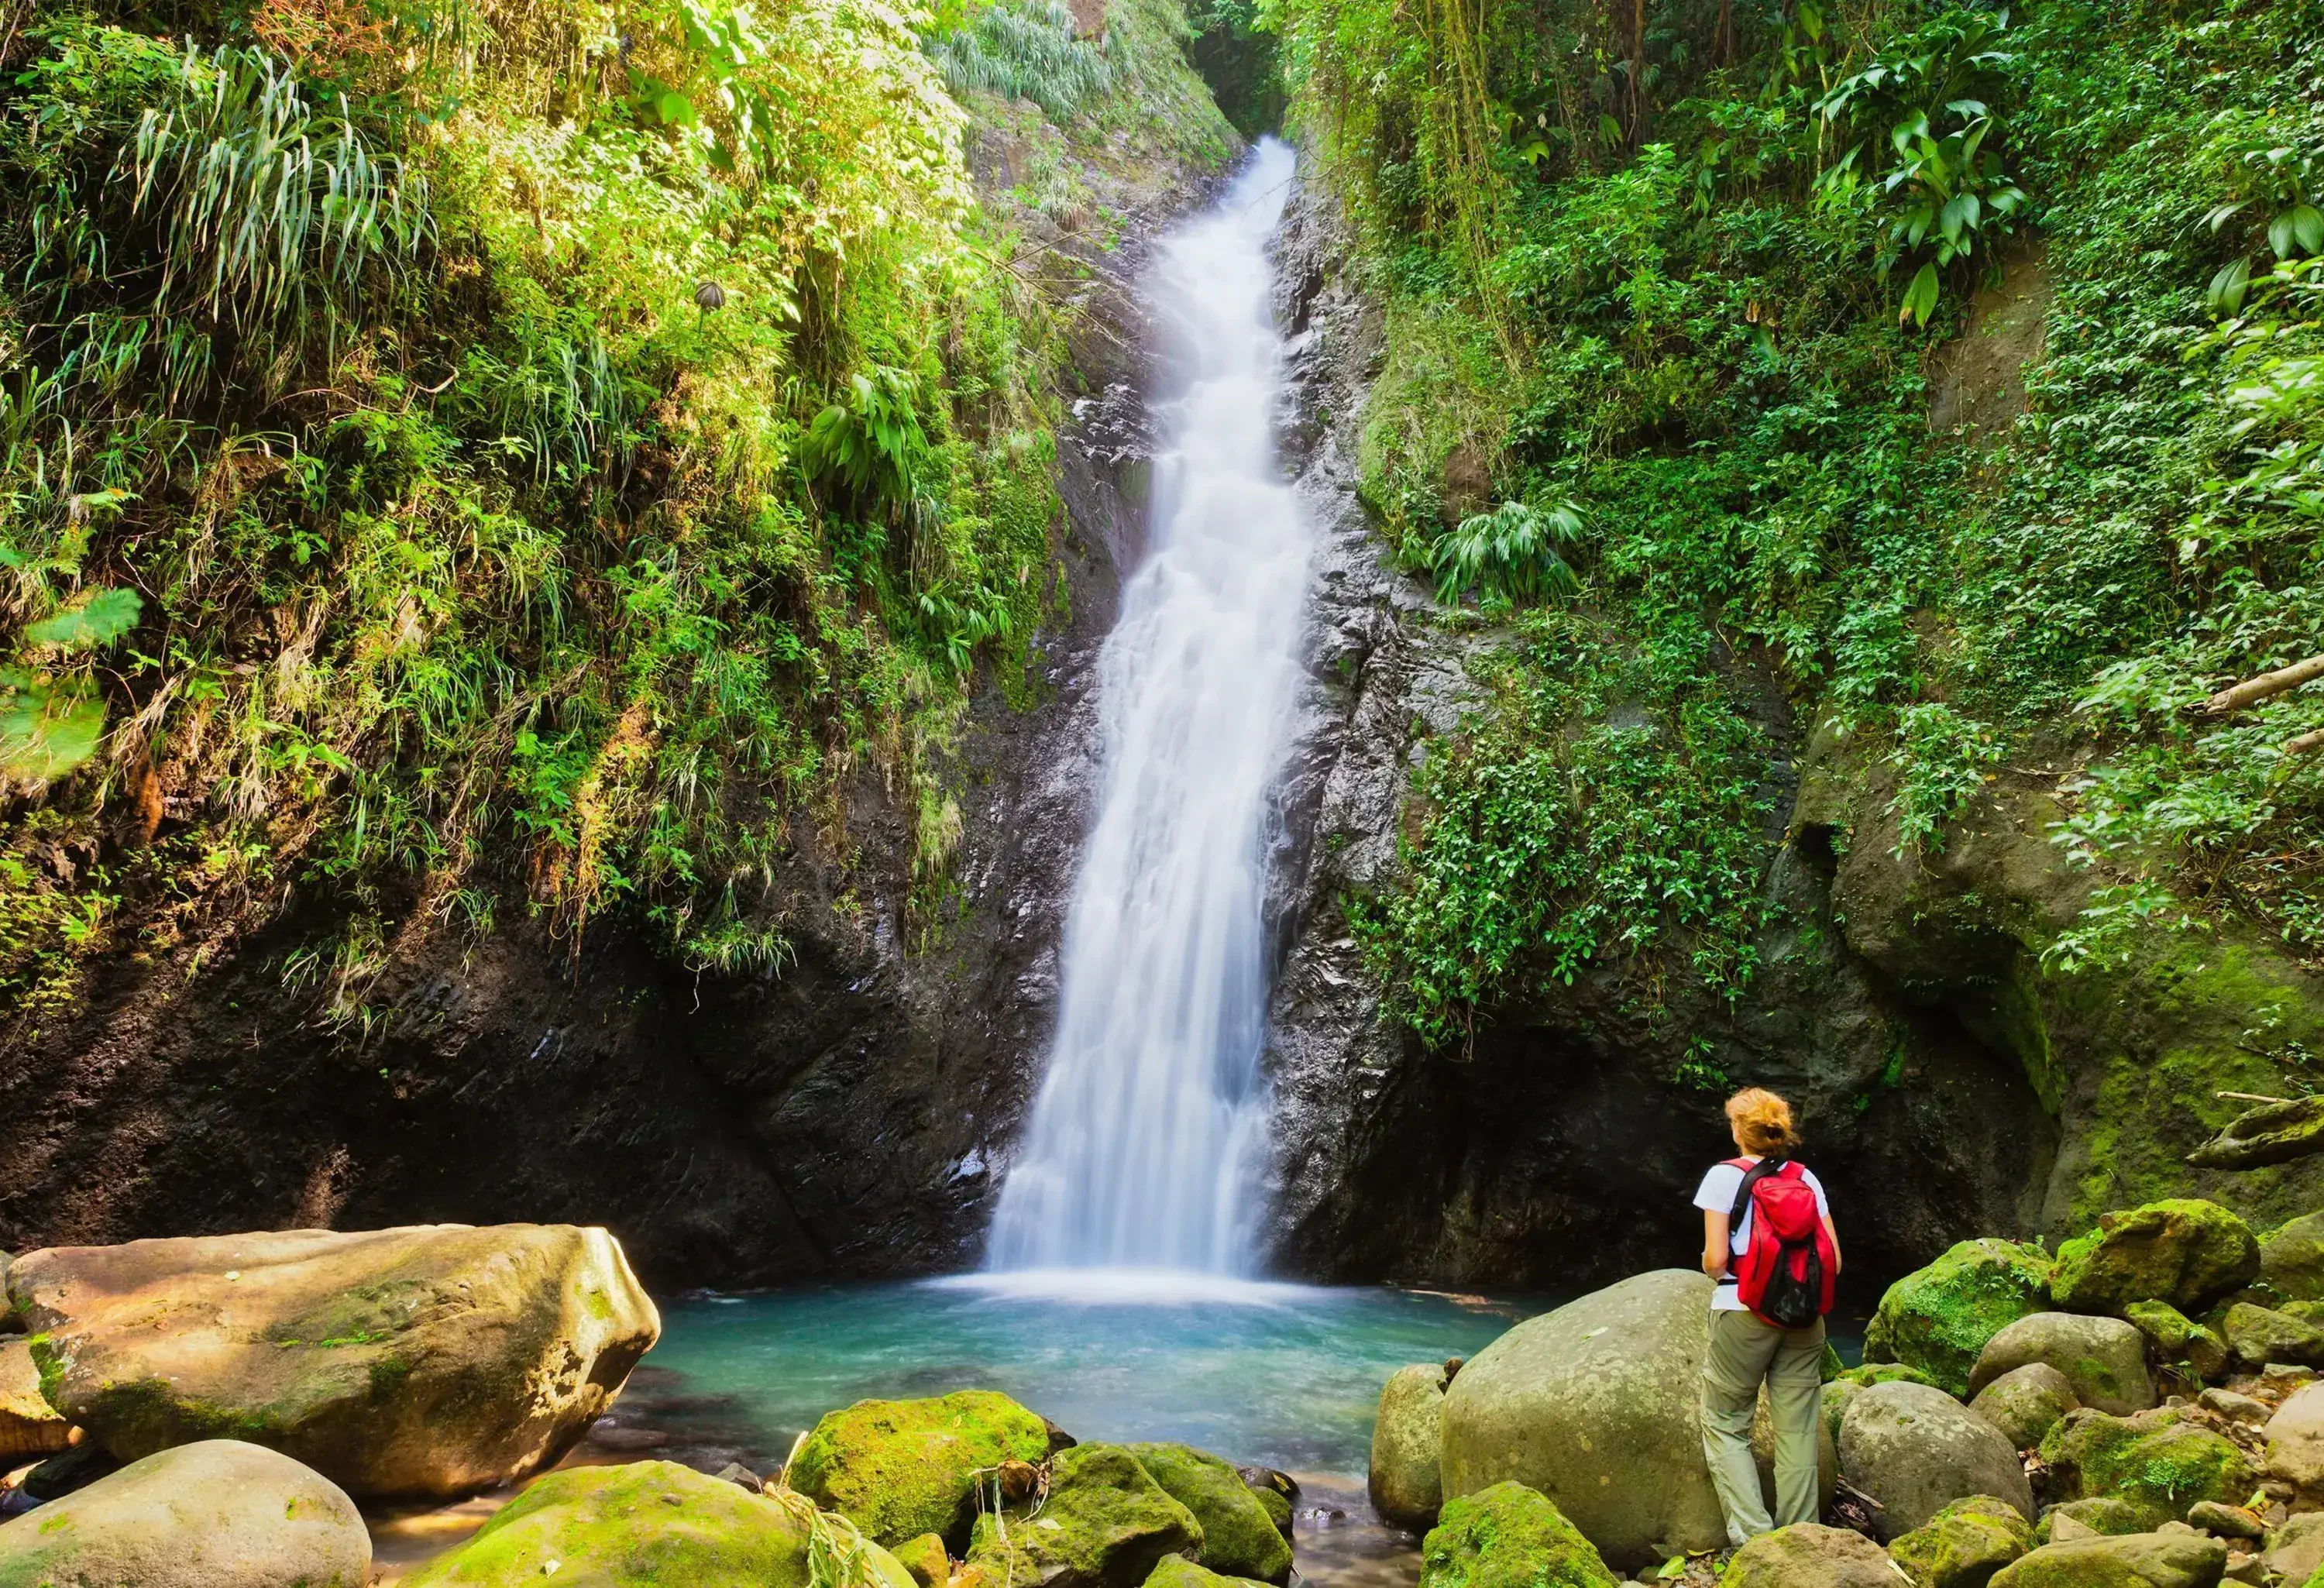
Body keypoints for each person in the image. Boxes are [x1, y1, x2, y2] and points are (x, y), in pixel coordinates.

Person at [1693, 1086, 1842, 1547]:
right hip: (1804, 1318)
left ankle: (1754, 1538)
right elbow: (1833, 1261)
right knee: (1797, 1426)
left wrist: (1712, 1262)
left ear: (1739, 1129)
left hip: (1744, 1311)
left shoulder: (1724, 1177)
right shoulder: (1807, 1179)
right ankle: (1801, 1533)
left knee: (1724, 1419)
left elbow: (1716, 1260)